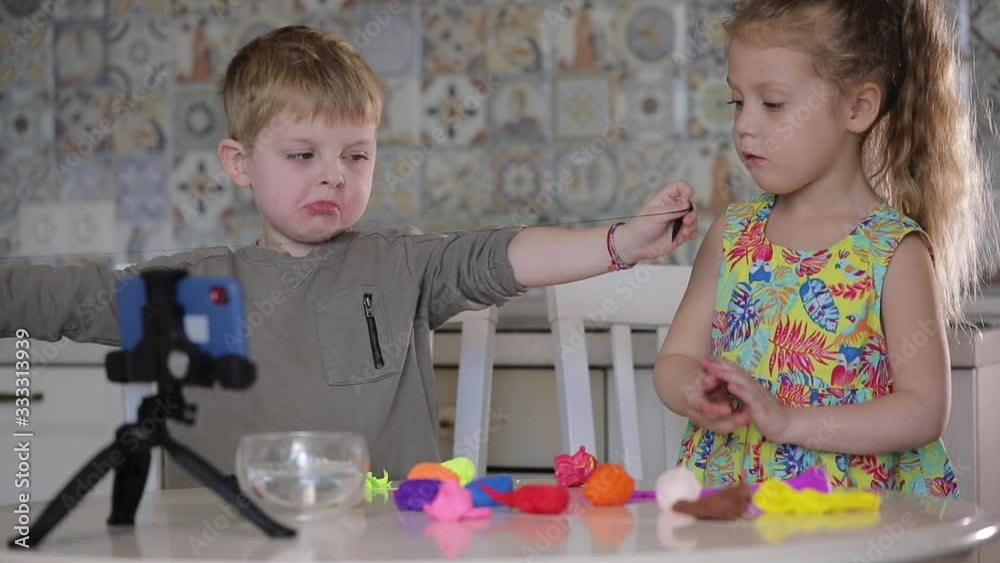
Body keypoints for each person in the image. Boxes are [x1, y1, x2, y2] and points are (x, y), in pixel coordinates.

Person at [0, 26, 698, 489]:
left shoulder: (400, 265)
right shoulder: (192, 288)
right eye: (304, 155)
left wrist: (619, 243)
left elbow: (497, 256)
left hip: (388, 540)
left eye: (356, 155)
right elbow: (60, 299)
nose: (334, 175)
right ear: (239, 163)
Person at [655, 0, 996, 498]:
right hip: (735, 511)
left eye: (772, 104)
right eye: (738, 101)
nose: (744, 124)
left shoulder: (892, 253)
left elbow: (923, 411)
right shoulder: (731, 236)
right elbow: (675, 360)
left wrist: (789, 422)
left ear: (857, 108)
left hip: (852, 517)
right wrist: (695, 390)